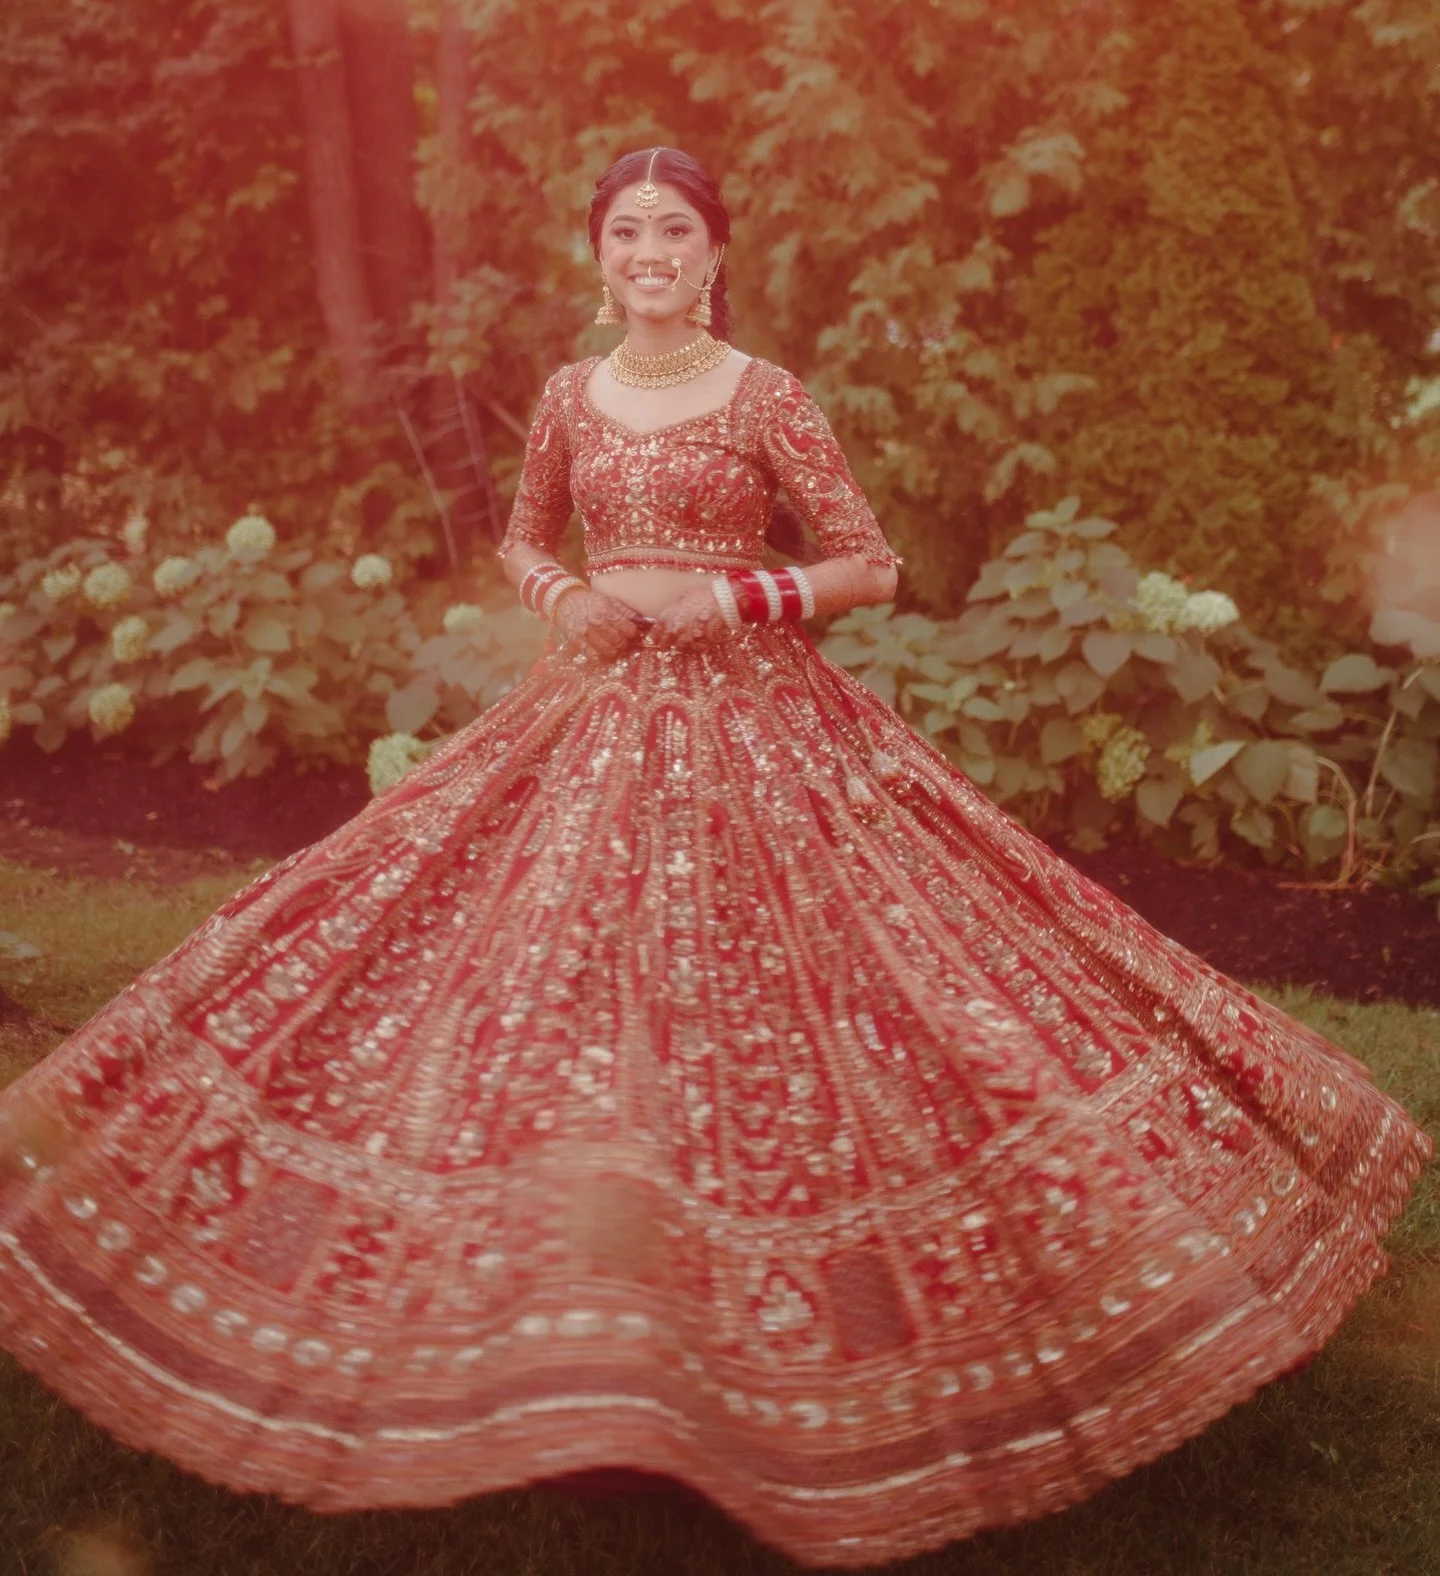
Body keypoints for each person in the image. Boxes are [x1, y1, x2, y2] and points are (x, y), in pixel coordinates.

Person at [0, 146, 1429, 1568]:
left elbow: (871, 564)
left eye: (673, 230)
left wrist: (735, 594)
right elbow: (518, 539)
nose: (648, 252)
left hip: (761, 728)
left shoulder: (768, 398)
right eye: (625, 231)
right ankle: (580, 1357)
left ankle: (769, 1362)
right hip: (588, 717)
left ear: (715, 253)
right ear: (599, 253)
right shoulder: (569, 395)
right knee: (526, 985)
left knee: (821, 997)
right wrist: (569, 597)